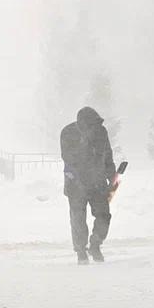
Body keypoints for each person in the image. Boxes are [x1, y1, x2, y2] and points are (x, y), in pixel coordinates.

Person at [60, 106, 116, 264]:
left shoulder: (101, 132)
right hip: (75, 184)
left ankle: (95, 245)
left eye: (96, 125)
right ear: (82, 125)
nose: (95, 129)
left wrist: (112, 177)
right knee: (78, 219)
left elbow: (107, 155)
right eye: (91, 126)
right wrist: (85, 143)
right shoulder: (68, 133)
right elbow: (68, 159)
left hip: (97, 183)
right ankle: (81, 251)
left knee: (104, 216)